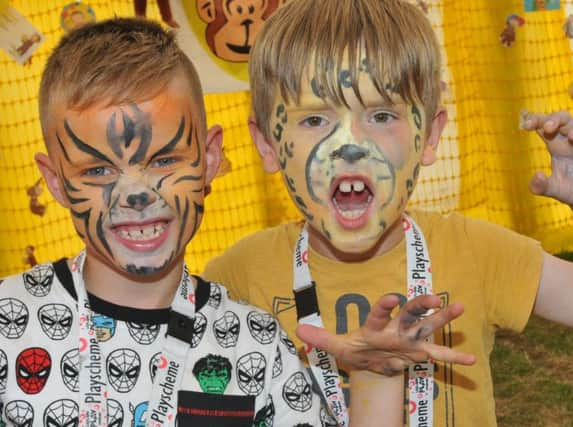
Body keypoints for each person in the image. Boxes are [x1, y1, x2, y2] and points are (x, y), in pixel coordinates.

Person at [0, 17, 464, 427]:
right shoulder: (9, 322)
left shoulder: (257, 345)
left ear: (209, 159)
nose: (136, 195)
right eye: (98, 170)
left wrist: (371, 379)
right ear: (56, 181)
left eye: (164, 160)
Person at [203, 0, 573, 426]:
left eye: (381, 114)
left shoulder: (474, 250)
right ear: (266, 144)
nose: (350, 147)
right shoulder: (238, 281)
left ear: (430, 136)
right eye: (315, 120)